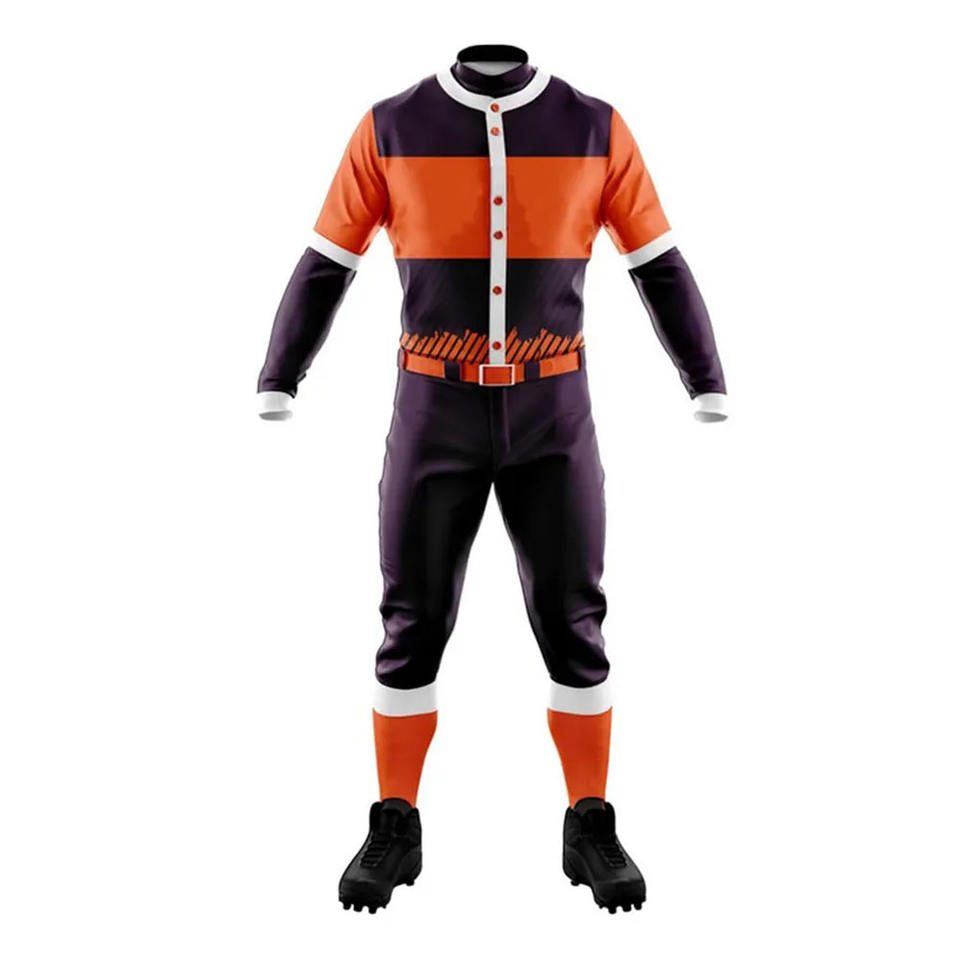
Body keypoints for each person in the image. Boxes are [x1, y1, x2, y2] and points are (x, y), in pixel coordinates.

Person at [257, 44, 727, 914]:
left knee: (575, 617)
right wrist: (279, 375)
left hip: (555, 414)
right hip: (433, 411)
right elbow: (329, 258)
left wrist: (706, 378)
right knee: (411, 617)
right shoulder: (391, 127)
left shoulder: (595, 127)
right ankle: (395, 822)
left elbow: (656, 259)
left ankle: (589, 821)